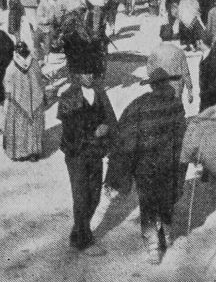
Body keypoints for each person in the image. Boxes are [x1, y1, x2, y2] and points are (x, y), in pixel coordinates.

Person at [104, 67, 188, 264]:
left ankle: (153, 247)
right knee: (167, 199)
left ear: (152, 86)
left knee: (148, 204)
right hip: (169, 163)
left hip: (146, 166)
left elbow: (126, 135)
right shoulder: (176, 104)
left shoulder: (139, 105)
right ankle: (166, 233)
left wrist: (119, 167)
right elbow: (182, 134)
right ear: (166, 83)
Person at [59, 67, 117, 254]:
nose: (89, 75)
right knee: (81, 196)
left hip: (96, 152)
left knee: (95, 195)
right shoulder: (68, 97)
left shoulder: (99, 93)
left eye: (91, 71)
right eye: (85, 71)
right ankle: (83, 241)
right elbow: (70, 132)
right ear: (77, 74)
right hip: (76, 154)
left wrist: (107, 128)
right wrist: (94, 133)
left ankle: (77, 233)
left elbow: (111, 118)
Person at [3, 39, 46, 161]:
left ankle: (21, 152)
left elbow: (7, 82)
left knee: (20, 126)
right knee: (33, 125)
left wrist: (8, 97)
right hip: (34, 100)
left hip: (18, 101)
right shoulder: (34, 63)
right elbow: (40, 81)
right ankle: (33, 152)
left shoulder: (12, 66)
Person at [146, 25, 193, 105]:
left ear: (160, 35)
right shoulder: (179, 51)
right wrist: (190, 90)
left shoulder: (154, 52)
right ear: (172, 35)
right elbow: (185, 72)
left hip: (161, 87)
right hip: (176, 88)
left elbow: (150, 72)